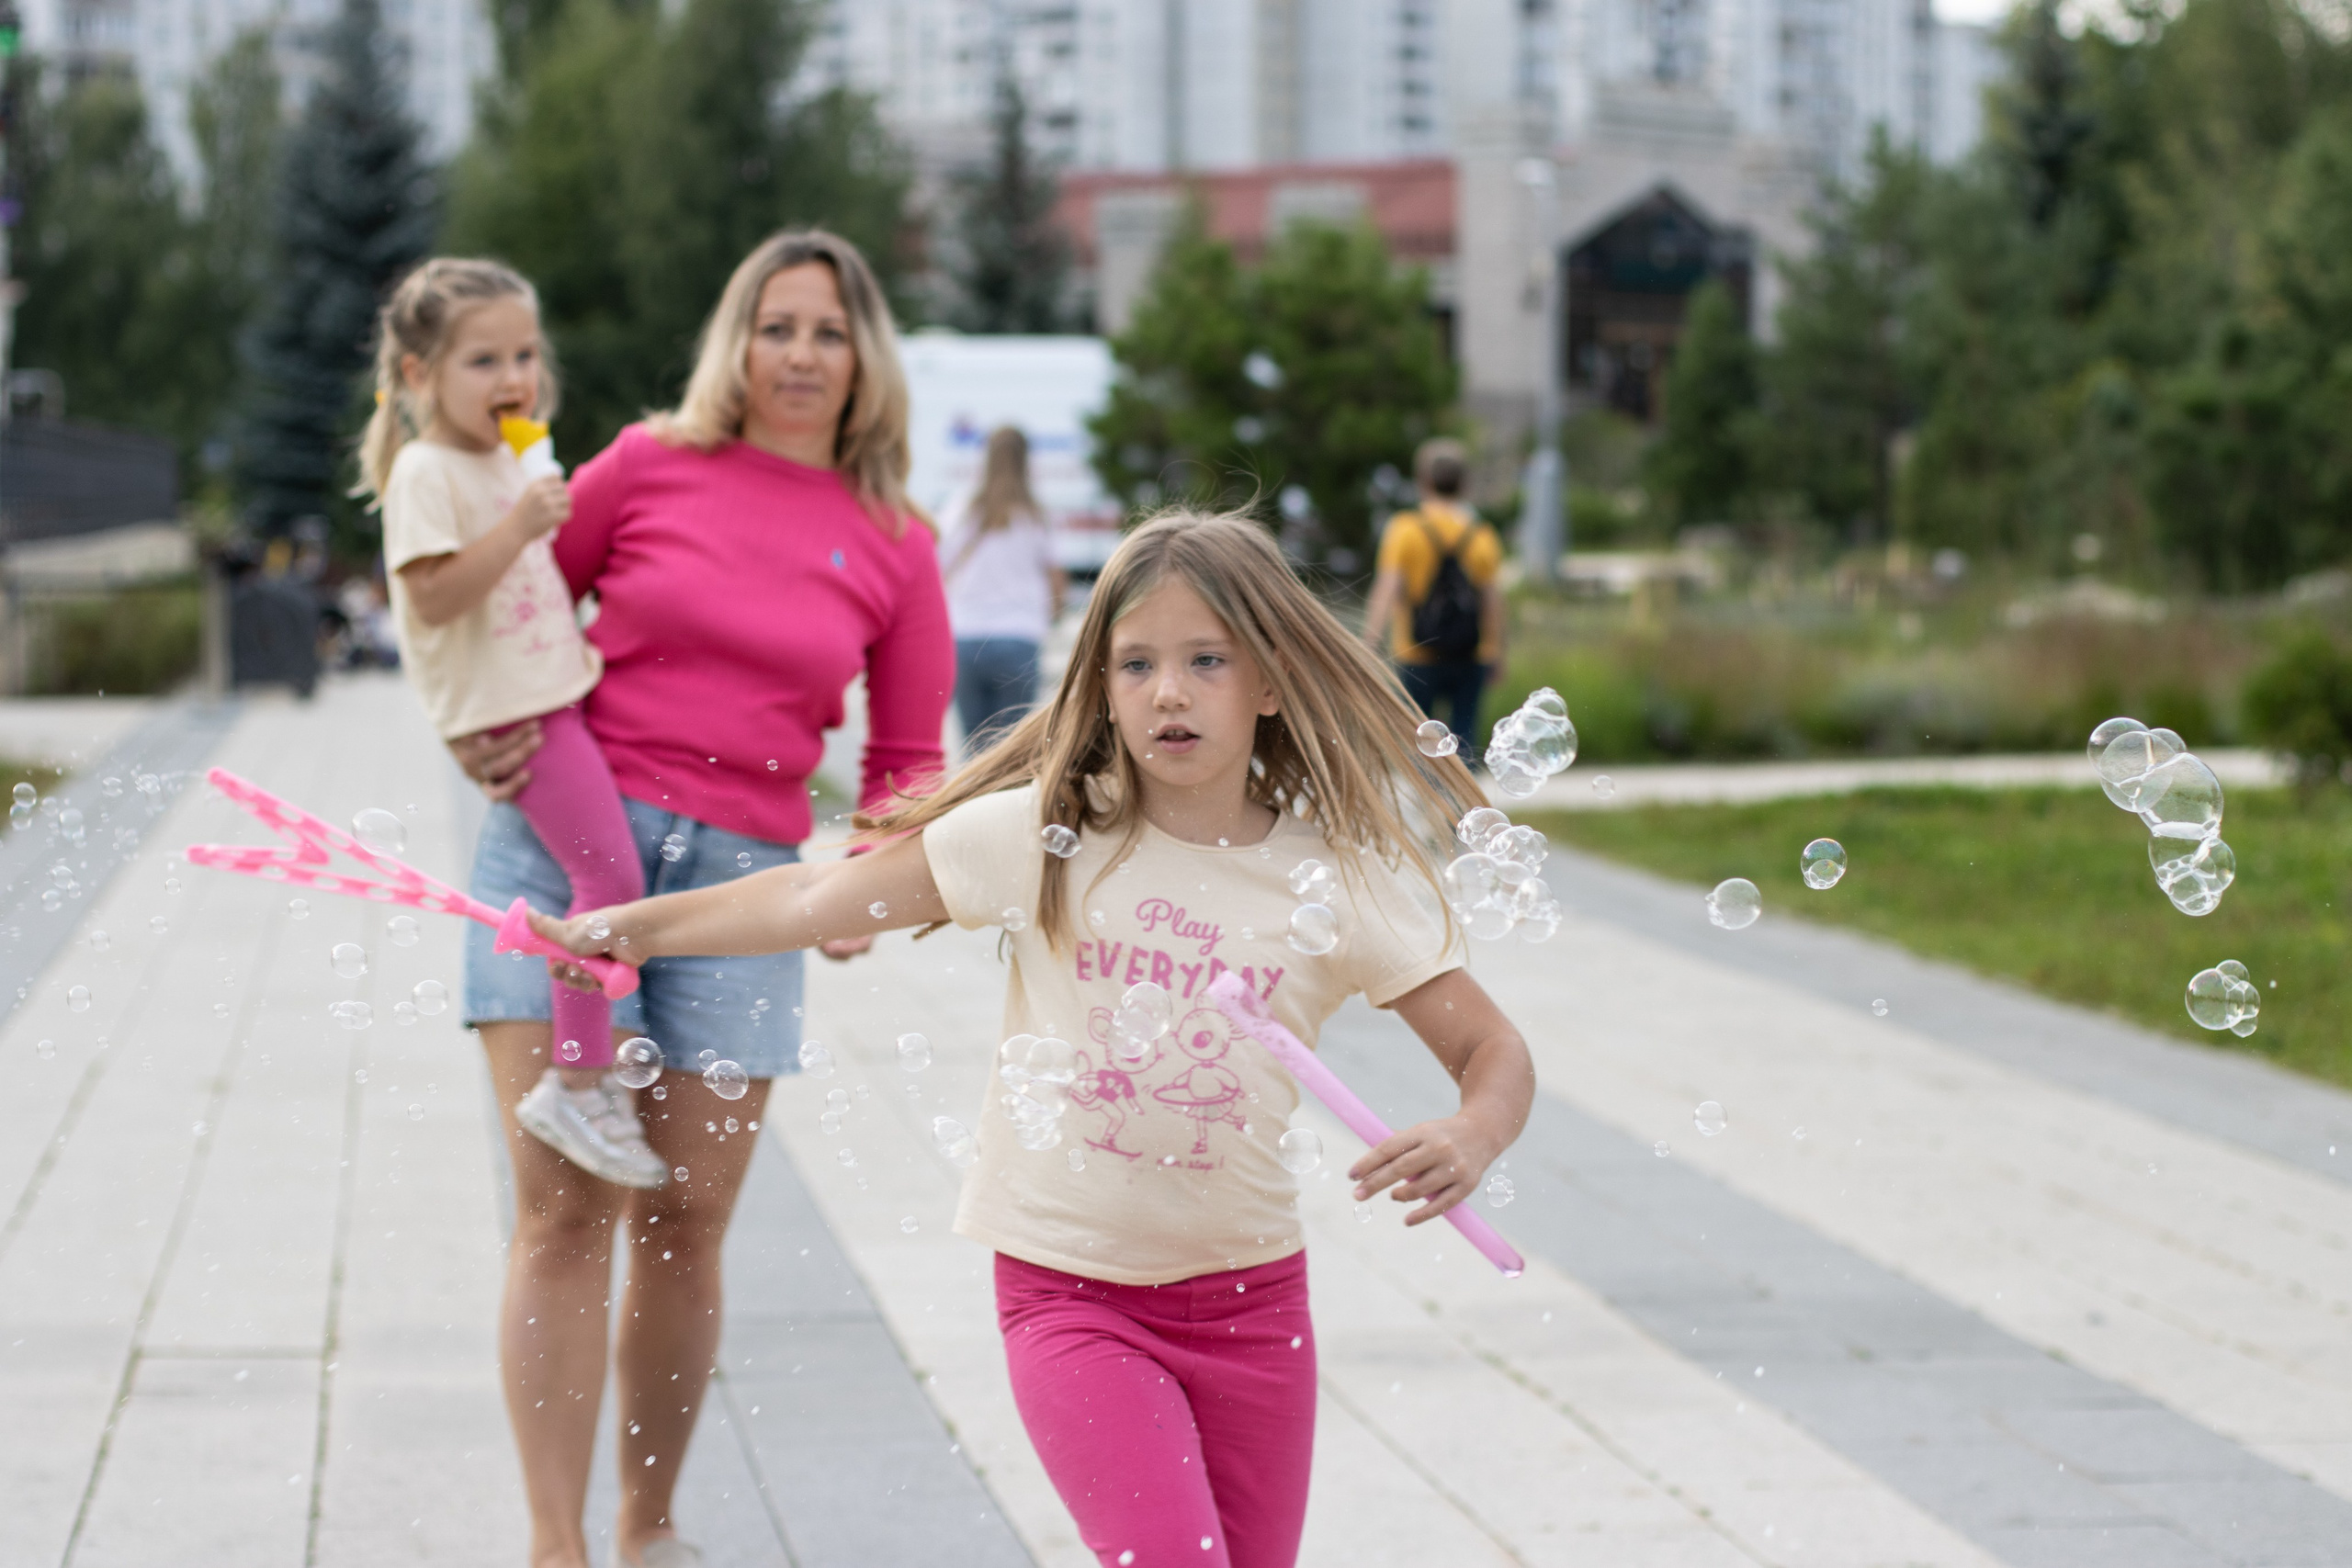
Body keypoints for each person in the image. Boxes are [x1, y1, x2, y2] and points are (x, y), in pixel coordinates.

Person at [533, 512, 1536, 1568]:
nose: (1168, 691)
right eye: (1136, 664)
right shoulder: (1045, 838)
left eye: (1206, 660)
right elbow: (810, 897)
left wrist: (1474, 1131)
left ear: (1272, 683)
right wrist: (632, 930)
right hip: (1073, 1298)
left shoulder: (1330, 879)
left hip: (1256, 1305)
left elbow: (1493, 1051)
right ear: (1100, 686)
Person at [446, 230, 953, 1568]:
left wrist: (869, 884)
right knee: (564, 1209)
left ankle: (647, 1528)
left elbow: (908, 759)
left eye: (829, 331)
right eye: (776, 325)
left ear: (865, 360)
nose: (800, 353)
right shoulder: (643, 464)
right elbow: (509, 614)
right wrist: (476, 728)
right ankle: (554, 1546)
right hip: (568, 852)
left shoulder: (898, 543)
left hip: (746, 893)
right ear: (738, 340)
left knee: (684, 1221)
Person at [359, 258, 662, 1190]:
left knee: (602, 873)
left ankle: (581, 1075)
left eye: (525, 355)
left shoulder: (501, 457)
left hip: (553, 694)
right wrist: (523, 524)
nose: (514, 377)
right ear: (419, 374)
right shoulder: (426, 470)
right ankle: (577, 1082)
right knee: (608, 879)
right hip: (515, 716)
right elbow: (432, 597)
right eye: (483, 360)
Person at [1359, 437, 1506, 760]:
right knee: (1465, 739)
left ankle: (1428, 790)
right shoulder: (1483, 535)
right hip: (1471, 652)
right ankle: (1463, 791)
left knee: (1420, 739)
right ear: (1464, 484)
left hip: (1416, 651)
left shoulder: (1405, 529)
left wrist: (1370, 643)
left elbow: (1387, 588)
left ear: (1422, 480)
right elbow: (1492, 600)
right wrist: (1497, 652)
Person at [940, 424, 1066, 754]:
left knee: (974, 749)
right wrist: (1053, 618)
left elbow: (939, 568)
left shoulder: (961, 509)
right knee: (1011, 753)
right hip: (1019, 638)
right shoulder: (1036, 514)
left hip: (966, 637)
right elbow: (1056, 579)